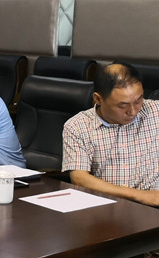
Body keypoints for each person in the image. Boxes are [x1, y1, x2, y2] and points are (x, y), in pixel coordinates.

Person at [63, 63, 159, 205]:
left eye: (138, 100)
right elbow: (79, 178)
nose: (133, 111)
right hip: (108, 205)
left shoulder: (155, 111)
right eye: (123, 105)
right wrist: (140, 195)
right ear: (98, 99)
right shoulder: (78, 126)